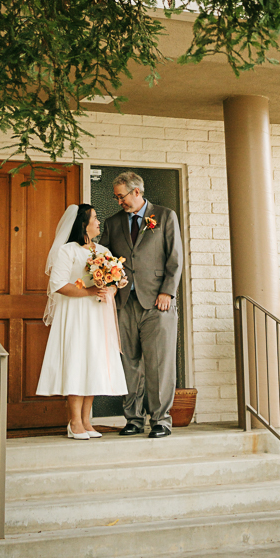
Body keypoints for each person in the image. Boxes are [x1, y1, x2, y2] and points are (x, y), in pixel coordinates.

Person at [101, 171, 183, 438]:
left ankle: (161, 420)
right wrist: (107, 285)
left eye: (121, 196)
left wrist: (168, 293)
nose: (118, 202)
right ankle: (133, 419)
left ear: (137, 192)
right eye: (116, 197)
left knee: (159, 363)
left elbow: (175, 259)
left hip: (158, 302)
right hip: (124, 304)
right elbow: (104, 260)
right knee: (129, 363)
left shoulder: (165, 216)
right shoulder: (112, 223)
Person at [36, 203, 127, 439]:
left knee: (94, 363)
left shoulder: (104, 251)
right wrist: (89, 291)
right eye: (95, 218)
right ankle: (74, 422)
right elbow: (58, 285)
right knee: (77, 362)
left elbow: (112, 285)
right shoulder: (67, 251)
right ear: (83, 224)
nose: (99, 222)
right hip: (76, 314)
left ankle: (87, 421)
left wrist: (112, 290)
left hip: (98, 315)